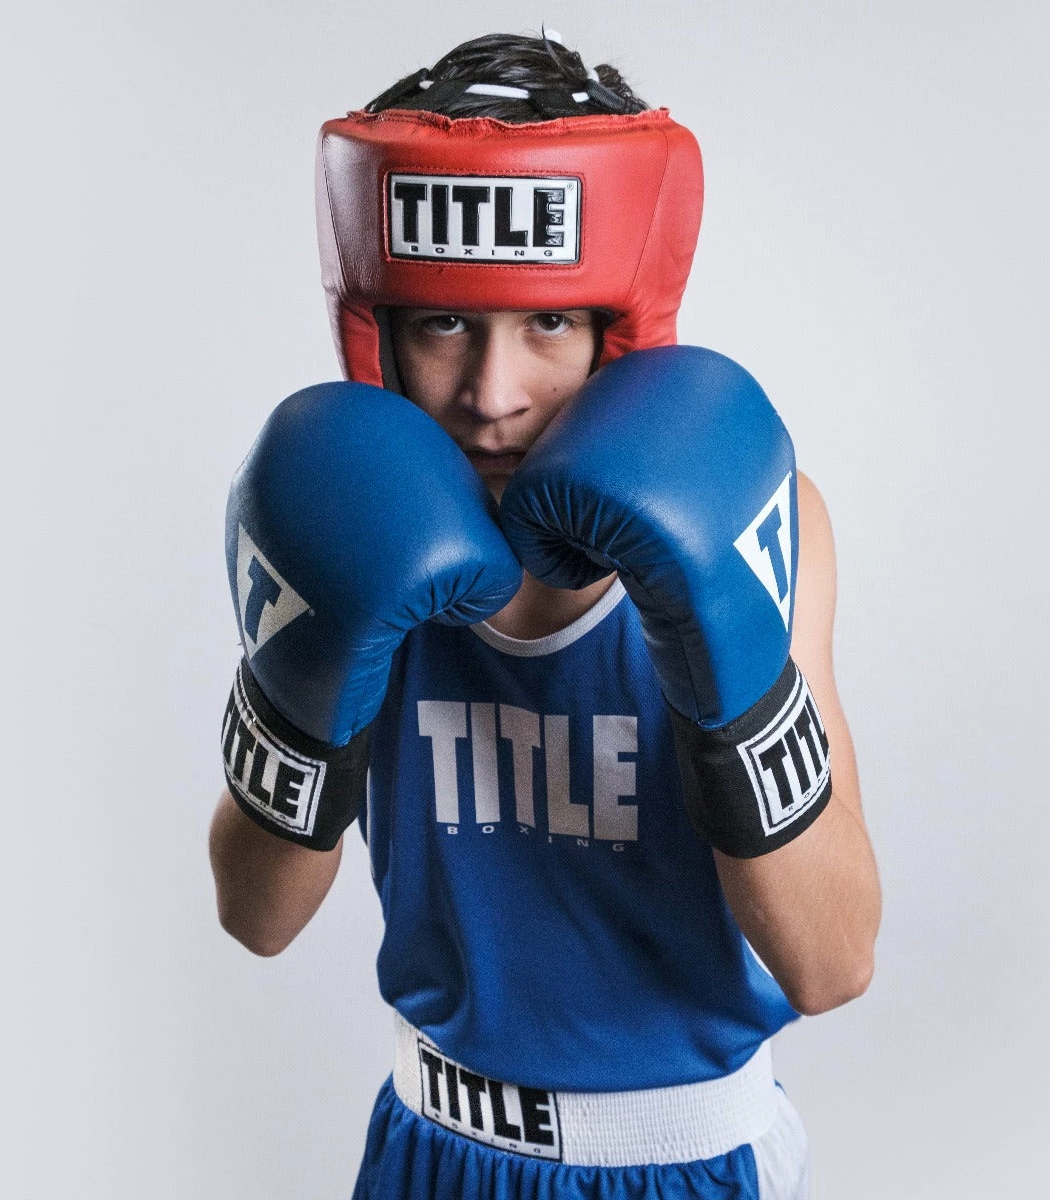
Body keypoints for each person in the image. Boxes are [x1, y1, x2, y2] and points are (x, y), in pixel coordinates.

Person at [210, 31, 882, 1200]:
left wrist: (722, 669)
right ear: (378, 333)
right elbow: (254, 917)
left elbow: (831, 963)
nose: (492, 394)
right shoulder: (341, 519)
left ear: (622, 331)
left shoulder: (760, 520)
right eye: (444, 324)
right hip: (426, 1148)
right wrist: (307, 676)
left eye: (550, 324)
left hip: (685, 1165)